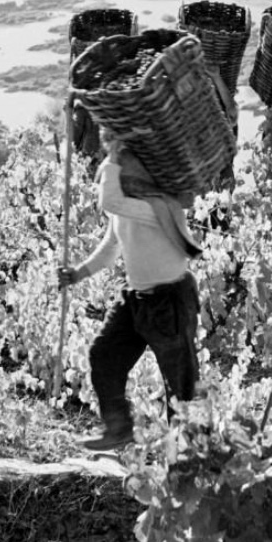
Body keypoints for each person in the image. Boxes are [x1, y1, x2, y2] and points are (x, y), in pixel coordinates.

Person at [59, 138, 202, 451]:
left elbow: (108, 201)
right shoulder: (128, 206)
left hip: (170, 302)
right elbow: (111, 248)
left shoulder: (158, 206)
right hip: (135, 299)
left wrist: (112, 155)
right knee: (104, 355)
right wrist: (77, 273)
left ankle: (190, 456)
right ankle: (119, 427)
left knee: (181, 387)